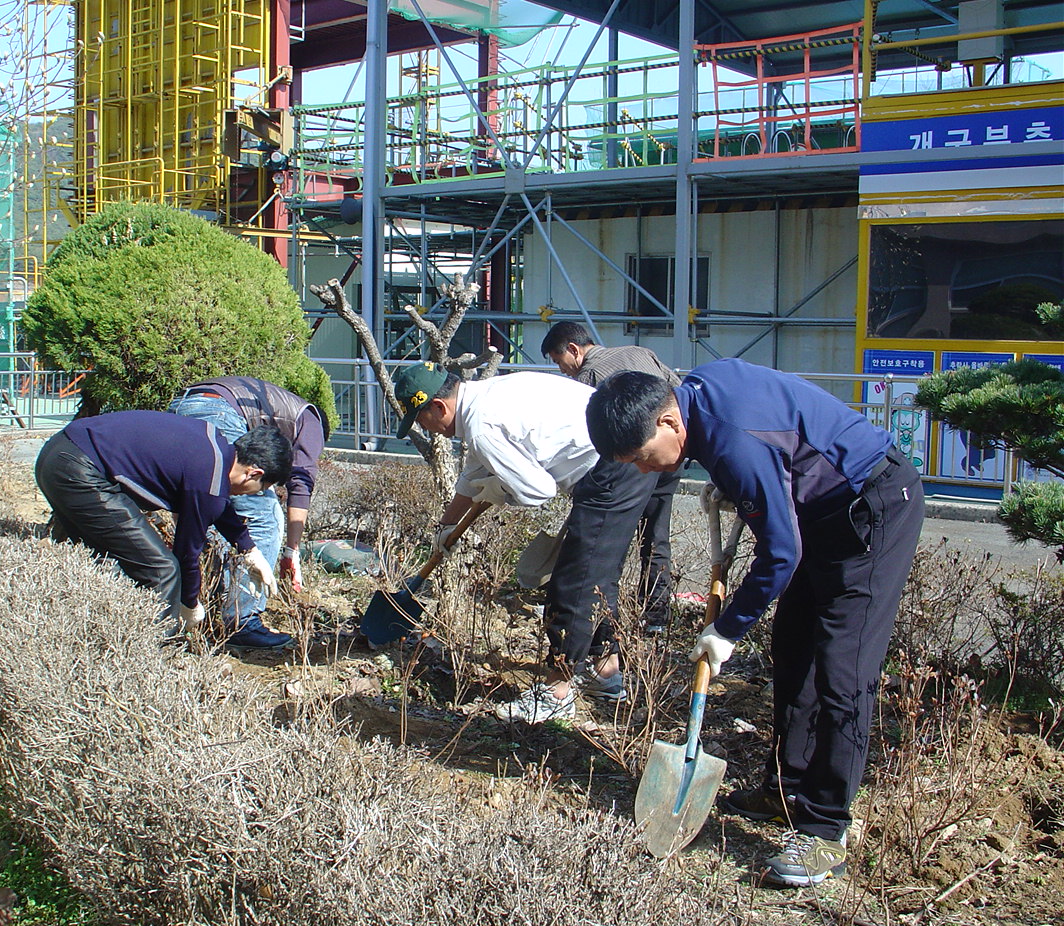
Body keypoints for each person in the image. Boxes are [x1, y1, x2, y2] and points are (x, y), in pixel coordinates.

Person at [584, 359, 924, 887]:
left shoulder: (732, 440)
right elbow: (776, 439)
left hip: (871, 505)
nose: (644, 472)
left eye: (643, 458)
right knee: (793, 649)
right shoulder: (693, 394)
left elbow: (780, 553)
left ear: (670, 423)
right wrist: (747, 487)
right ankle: (783, 789)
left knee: (842, 667)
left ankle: (823, 827)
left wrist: (726, 630)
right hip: (820, 506)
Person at [393, 361, 661, 724]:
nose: (429, 431)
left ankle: (556, 692)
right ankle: (605, 672)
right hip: (620, 457)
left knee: (575, 581)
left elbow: (536, 491)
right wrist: (447, 525)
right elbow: (473, 474)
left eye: (422, 420)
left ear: (439, 407)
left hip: (614, 465)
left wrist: (499, 490)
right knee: (596, 573)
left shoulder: (482, 424)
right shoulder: (483, 399)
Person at [35, 410, 292, 644]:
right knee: (162, 569)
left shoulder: (214, 446)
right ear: (254, 474)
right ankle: (155, 655)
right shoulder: (209, 479)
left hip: (58, 453)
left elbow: (215, 501)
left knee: (98, 556)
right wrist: (189, 607)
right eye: (263, 489)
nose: (251, 494)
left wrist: (248, 550)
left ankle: (74, 634)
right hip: (80, 471)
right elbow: (185, 555)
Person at [541, 321, 682, 632]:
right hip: (670, 452)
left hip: (632, 464)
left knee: (609, 543)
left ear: (573, 350)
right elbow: (676, 390)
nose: (562, 370)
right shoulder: (640, 352)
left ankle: (605, 619)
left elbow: (586, 439)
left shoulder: (587, 378)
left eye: (558, 360)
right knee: (656, 535)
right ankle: (657, 615)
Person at [168, 376, 328, 649]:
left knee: (214, 513)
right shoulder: (312, 421)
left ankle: (206, 604)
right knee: (264, 517)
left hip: (182, 405)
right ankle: (242, 622)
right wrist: (292, 550)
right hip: (217, 411)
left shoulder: (279, 409)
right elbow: (300, 483)